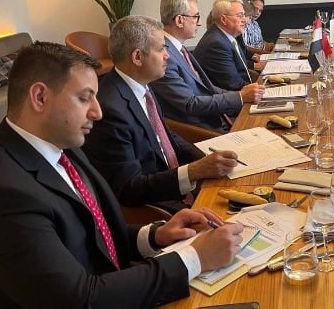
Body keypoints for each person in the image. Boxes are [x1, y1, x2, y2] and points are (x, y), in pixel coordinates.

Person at [0, 41, 243, 308]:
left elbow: (95, 235)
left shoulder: (61, 143)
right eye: (84, 98)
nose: (98, 112)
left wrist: (156, 235)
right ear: (40, 97)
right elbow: (78, 299)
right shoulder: (0, 192)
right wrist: (195, 259)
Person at [83, 16, 241, 211]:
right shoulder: (109, 110)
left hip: (176, 184)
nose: (168, 55)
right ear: (137, 57)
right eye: (161, 49)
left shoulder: (142, 84)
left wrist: (204, 158)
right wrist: (193, 171)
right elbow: (129, 190)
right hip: (159, 206)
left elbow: (166, 136)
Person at [151, 0, 264, 131]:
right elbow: (190, 104)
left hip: (216, 118)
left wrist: (242, 95)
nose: (200, 23)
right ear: (179, 20)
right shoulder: (164, 56)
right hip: (202, 130)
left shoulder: (178, 48)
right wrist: (240, 96)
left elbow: (207, 87)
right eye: (196, 17)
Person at [193, 0, 265, 91]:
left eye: (244, 15)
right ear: (224, 19)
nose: (244, 20)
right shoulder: (216, 44)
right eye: (240, 15)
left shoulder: (227, 36)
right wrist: (265, 90)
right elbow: (234, 85)